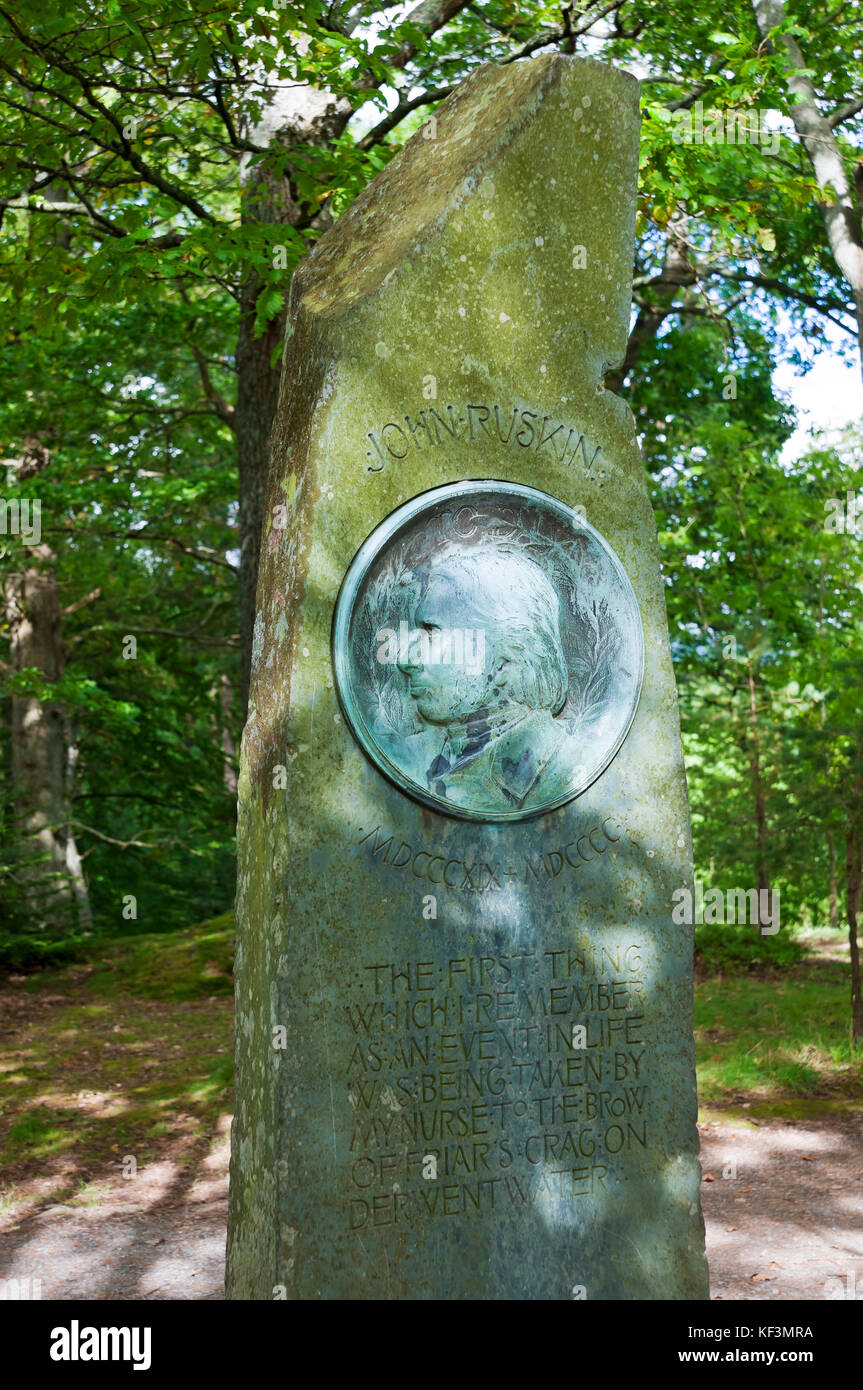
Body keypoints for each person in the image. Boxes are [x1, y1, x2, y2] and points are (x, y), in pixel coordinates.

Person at [389, 541, 575, 813]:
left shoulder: (566, 769)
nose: (406, 660)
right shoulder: (410, 754)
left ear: (503, 662)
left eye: (432, 633)